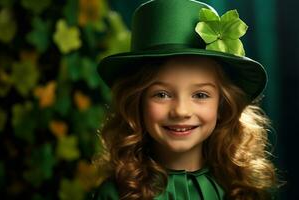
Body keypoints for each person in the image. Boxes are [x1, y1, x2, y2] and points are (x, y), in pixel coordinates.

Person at [94, 0, 278, 199]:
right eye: (162, 94)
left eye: (200, 95)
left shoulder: (242, 190)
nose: (181, 111)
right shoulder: (115, 194)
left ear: (223, 104)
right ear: (137, 101)